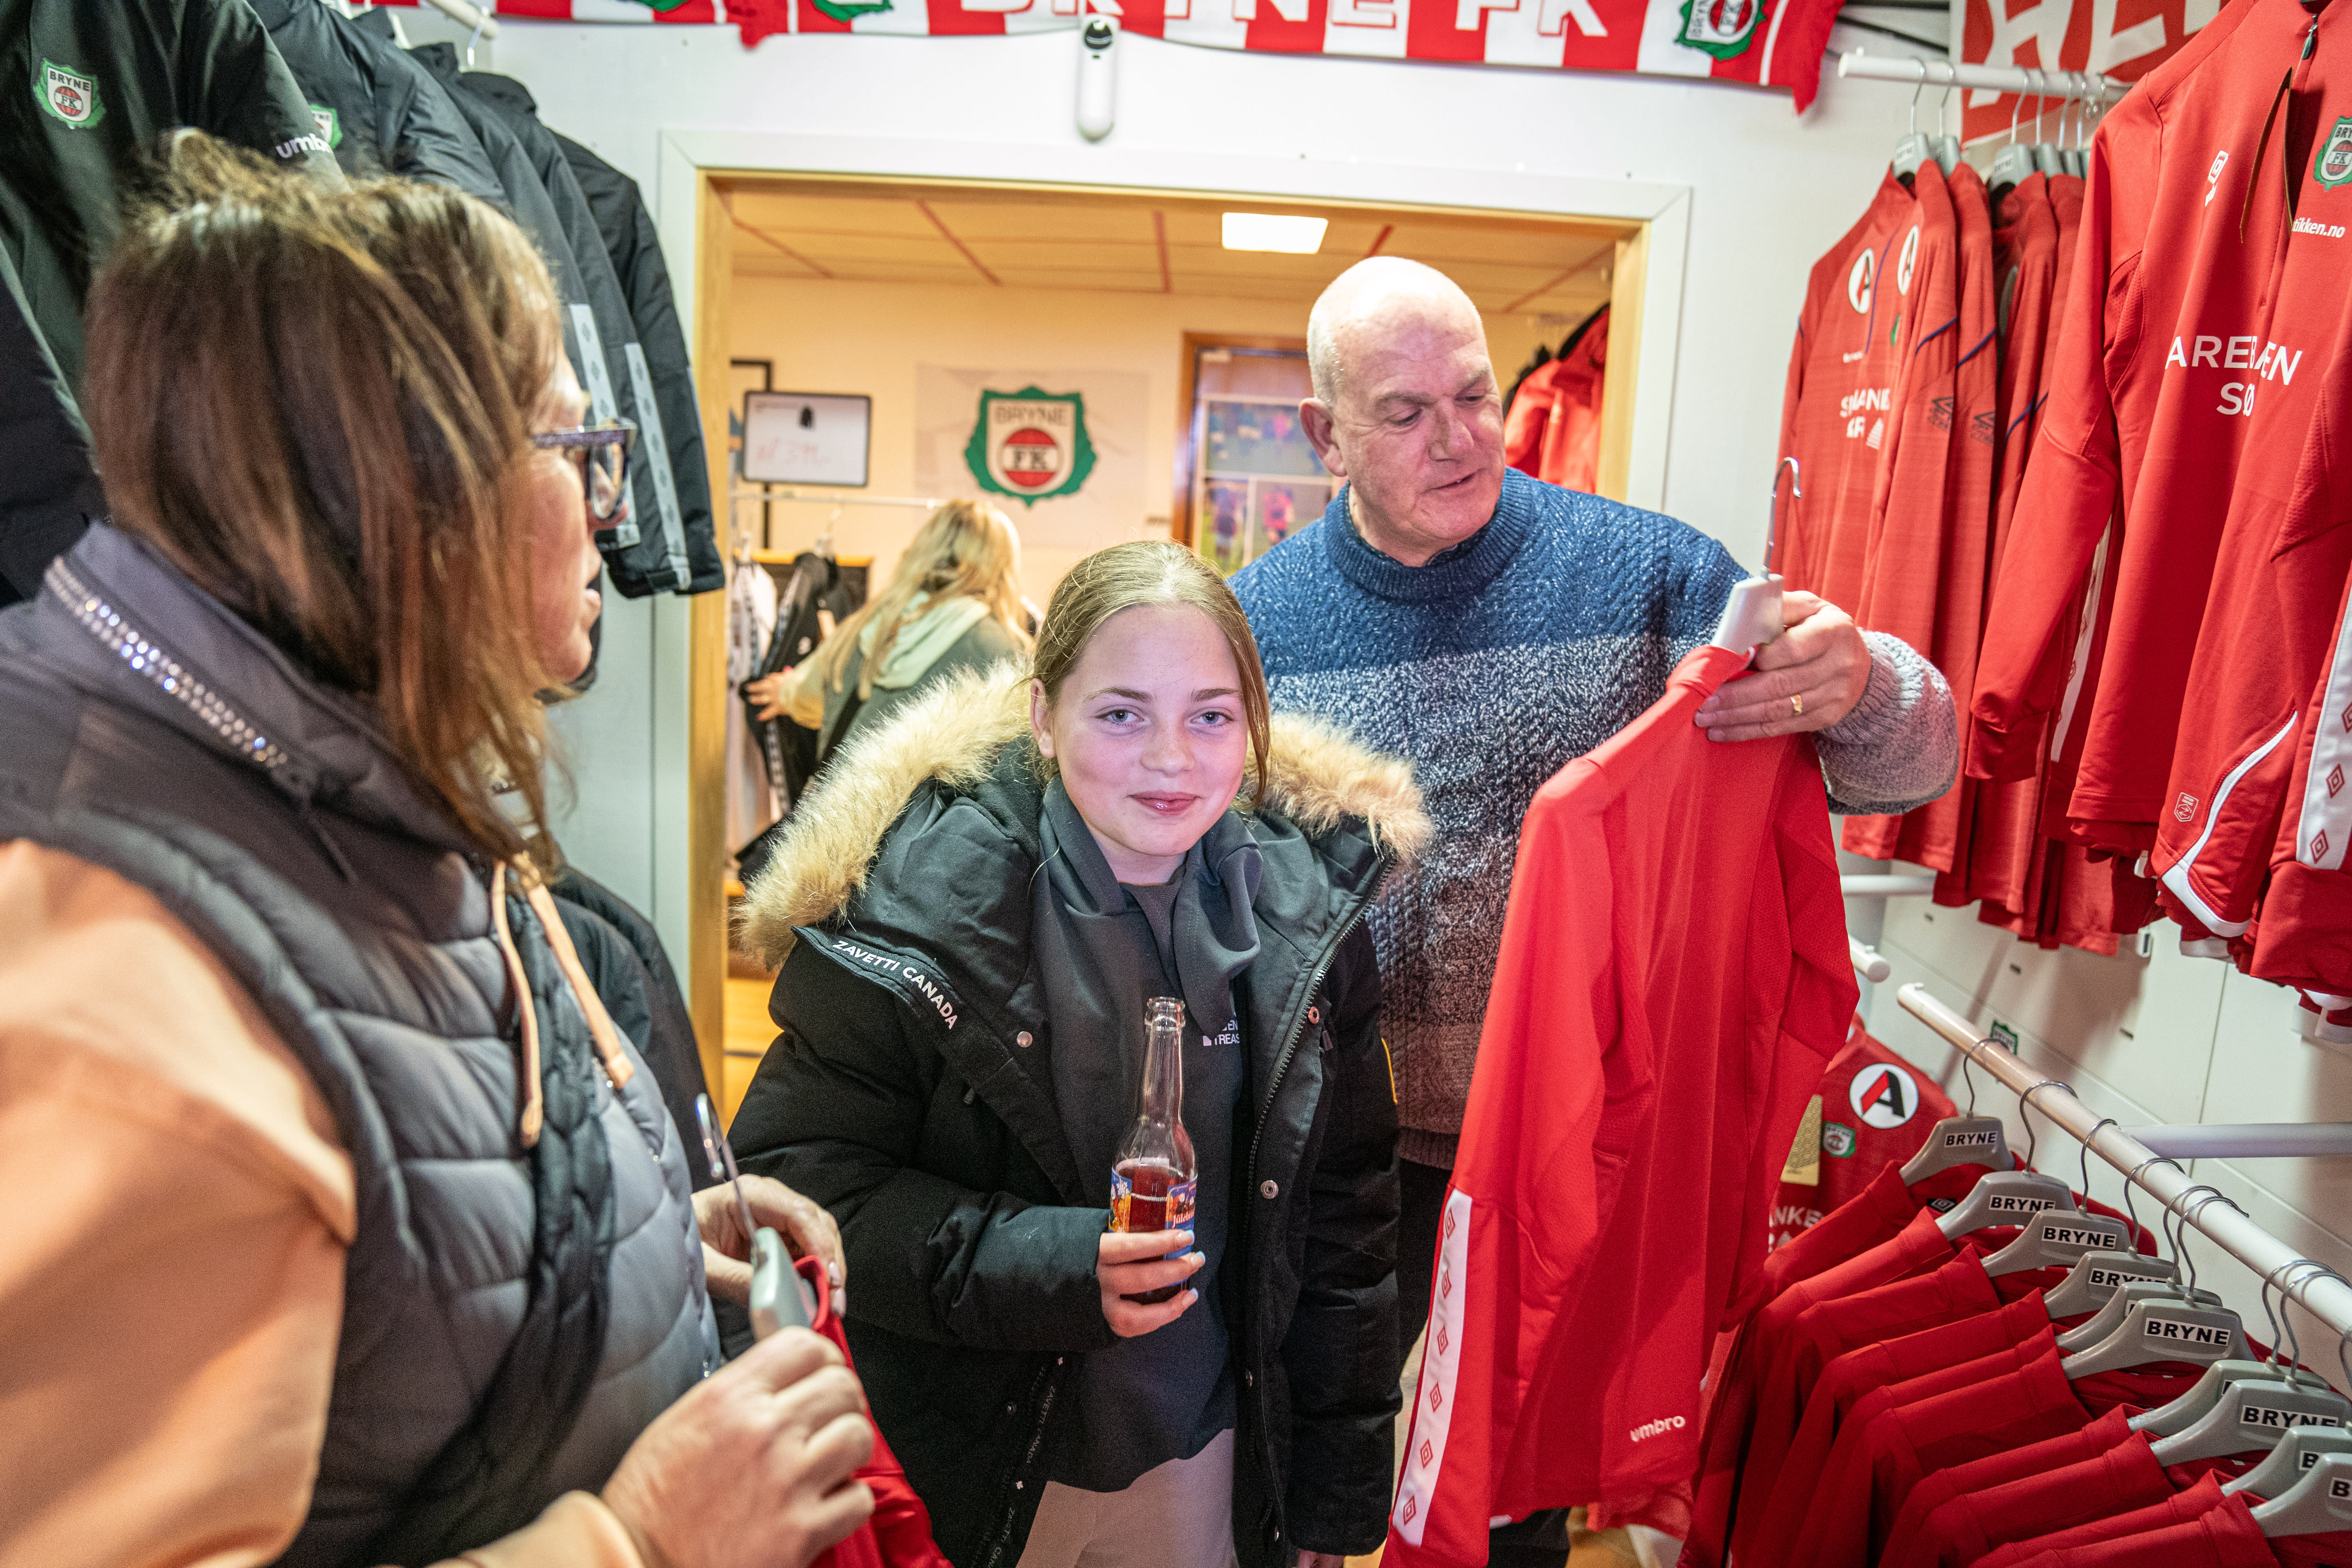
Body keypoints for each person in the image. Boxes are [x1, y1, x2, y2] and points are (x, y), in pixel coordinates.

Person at [0, 135, 877, 1568]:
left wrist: (645, 1239)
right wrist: (640, 1542)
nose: (613, 508)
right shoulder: (105, 963)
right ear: (412, 485)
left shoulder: (352, 771)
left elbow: (408, 1244)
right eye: (580, 451)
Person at [1228, 257, 1962, 1561]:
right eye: (1406, 413)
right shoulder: (1256, 626)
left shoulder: (1648, 578)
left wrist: (1866, 684)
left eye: (1476, 397)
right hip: (1343, 1156)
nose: (1460, 439)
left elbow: (1911, 767)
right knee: (1305, 1469)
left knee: (1519, 1489)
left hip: (1574, 1146)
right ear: (1323, 434)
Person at [729, 541, 1430, 1568]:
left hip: (1213, 1466)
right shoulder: (913, 903)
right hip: (980, 1470)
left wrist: (1331, 1492)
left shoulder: (1310, 913)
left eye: (1211, 716)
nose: (1171, 759)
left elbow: (1345, 1215)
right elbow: (797, 1185)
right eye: (1121, 714)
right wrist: (1048, 1263)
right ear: (1043, 718)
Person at [747, 499, 1032, 764]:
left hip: (837, 797)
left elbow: (812, 691)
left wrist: (784, 692)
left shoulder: (871, 621)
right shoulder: (1001, 647)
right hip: (919, 803)